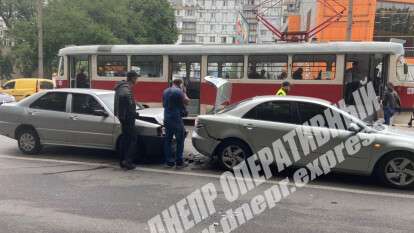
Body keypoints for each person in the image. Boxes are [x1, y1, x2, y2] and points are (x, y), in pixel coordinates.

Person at [114, 71, 140, 170]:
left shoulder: (122, 87)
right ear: (133, 78)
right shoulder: (125, 88)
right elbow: (126, 99)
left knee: (125, 139)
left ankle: (122, 161)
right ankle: (127, 161)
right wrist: (132, 113)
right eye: (136, 78)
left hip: (124, 117)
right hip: (127, 118)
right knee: (132, 139)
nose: (137, 80)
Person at [163, 76, 190, 169]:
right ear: (180, 84)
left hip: (166, 117)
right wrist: (184, 92)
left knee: (168, 140)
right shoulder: (179, 92)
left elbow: (164, 104)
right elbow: (187, 102)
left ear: (173, 83)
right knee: (180, 140)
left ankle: (169, 162)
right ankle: (179, 162)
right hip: (176, 119)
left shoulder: (165, 91)